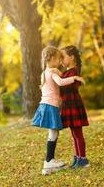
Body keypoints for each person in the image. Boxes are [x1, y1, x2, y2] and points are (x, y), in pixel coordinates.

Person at [31, 45, 85, 175]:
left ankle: (49, 163)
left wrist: (59, 73)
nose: (60, 61)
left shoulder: (44, 73)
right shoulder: (52, 72)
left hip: (45, 104)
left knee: (53, 133)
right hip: (51, 106)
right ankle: (49, 160)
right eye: (58, 58)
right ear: (52, 58)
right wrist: (75, 78)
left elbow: (57, 80)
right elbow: (60, 83)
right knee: (53, 133)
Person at [60, 45, 90, 168]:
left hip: (73, 104)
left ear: (71, 57)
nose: (61, 60)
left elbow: (69, 86)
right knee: (73, 133)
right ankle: (77, 157)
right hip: (68, 104)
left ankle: (83, 159)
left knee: (78, 133)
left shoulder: (74, 71)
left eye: (63, 57)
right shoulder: (66, 72)